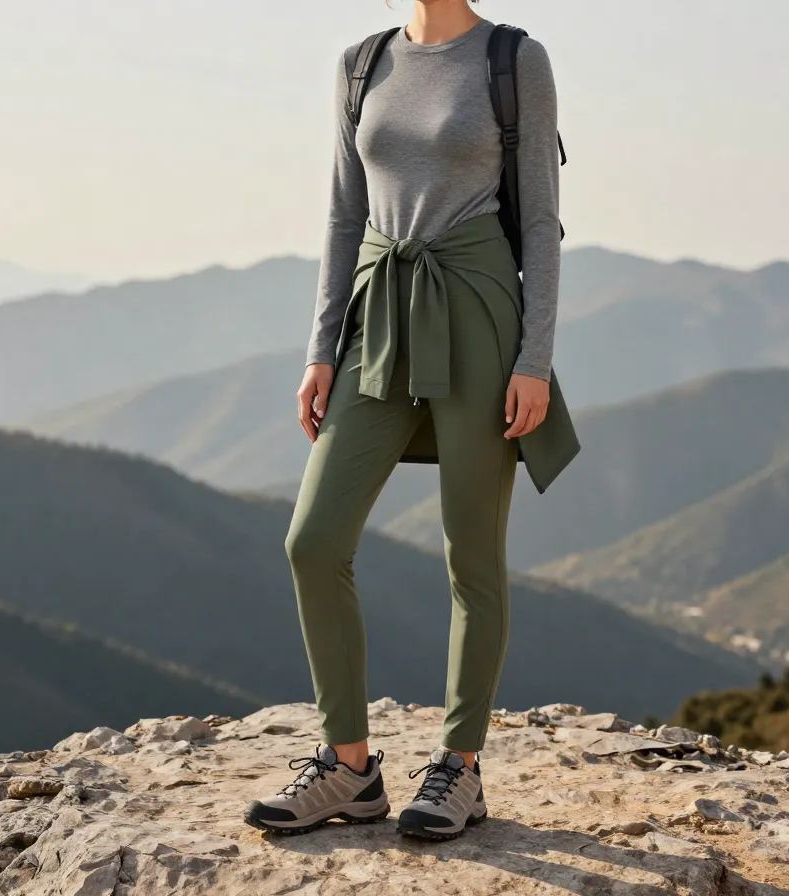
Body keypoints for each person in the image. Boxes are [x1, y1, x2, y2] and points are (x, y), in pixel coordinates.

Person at [245, 0, 579, 841]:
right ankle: (350, 769)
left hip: (478, 309)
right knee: (313, 542)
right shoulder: (362, 63)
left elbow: (540, 219)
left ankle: (460, 769)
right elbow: (341, 212)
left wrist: (533, 359)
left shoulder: (513, 60)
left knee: (472, 553)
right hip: (378, 310)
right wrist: (322, 347)